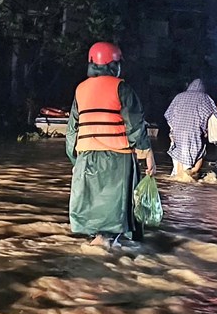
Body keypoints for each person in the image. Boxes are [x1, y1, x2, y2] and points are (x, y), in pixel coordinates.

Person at [66, 41, 156, 247]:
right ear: (114, 65)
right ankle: (108, 247)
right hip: (117, 158)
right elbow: (135, 124)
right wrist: (146, 153)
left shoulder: (80, 89)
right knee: (116, 212)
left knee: (92, 209)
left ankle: (97, 246)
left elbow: (72, 130)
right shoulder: (122, 88)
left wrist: (76, 161)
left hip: (86, 158)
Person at [164, 78, 217, 181]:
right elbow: (214, 115)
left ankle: (180, 177)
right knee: (199, 154)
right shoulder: (205, 98)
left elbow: (168, 115)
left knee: (179, 156)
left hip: (177, 134)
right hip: (194, 133)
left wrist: (173, 130)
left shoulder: (179, 96)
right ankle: (191, 174)